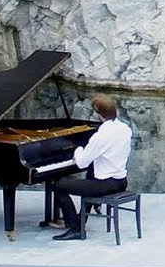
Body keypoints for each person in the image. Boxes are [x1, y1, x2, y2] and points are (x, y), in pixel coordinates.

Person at [52, 94, 132, 241]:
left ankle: (76, 229)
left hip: (105, 185)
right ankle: (80, 219)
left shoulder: (101, 136)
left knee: (59, 186)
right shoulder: (125, 129)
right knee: (91, 173)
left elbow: (81, 163)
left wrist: (77, 149)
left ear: (98, 114)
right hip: (121, 181)